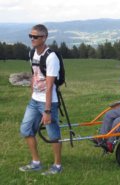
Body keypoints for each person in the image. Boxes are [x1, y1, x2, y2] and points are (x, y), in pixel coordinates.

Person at [19, 24, 62, 175]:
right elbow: (33, 76)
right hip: (34, 100)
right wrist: (32, 96)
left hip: (48, 101)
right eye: (30, 36)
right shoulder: (32, 54)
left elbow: (50, 87)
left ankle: (57, 166)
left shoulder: (51, 57)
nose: (32, 39)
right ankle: (36, 162)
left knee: (53, 134)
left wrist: (47, 111)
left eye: (35, 37)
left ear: (44, 38)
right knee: (26, 129)